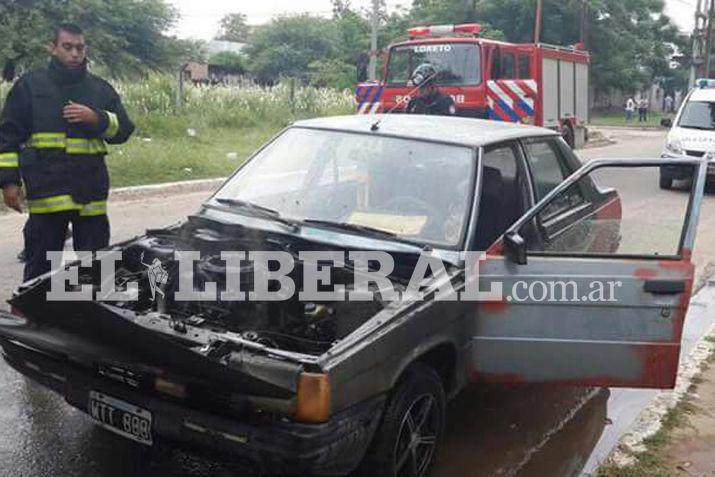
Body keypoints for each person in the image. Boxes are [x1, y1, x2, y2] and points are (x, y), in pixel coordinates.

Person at [0, 23, 134, 281]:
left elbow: (124, 130)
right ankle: (34, 317)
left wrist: (97, 119)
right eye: (67, 47)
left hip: (90, 196)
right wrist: (8, 182)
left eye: (80, 48)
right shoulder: (30, 86)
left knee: (96, 270)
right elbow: (7, 137)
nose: (75, 53)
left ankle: (93, 317)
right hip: (47, 193)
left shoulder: (99, 88)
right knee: (40, 268)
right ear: (52, 48)